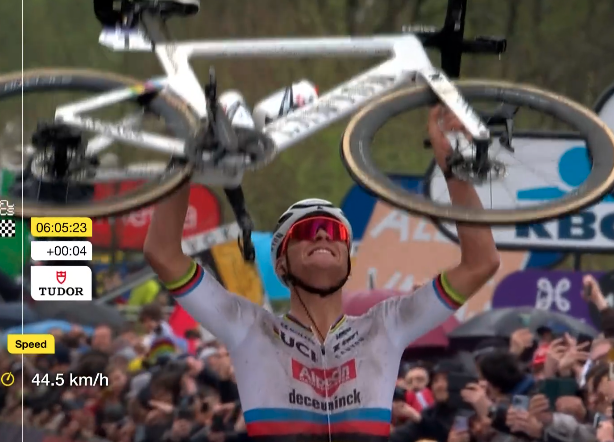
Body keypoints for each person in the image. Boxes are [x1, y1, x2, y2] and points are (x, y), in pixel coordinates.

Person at [143, 105, 500, 441]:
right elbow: (163, 254)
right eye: (305, 232)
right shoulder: (250, 328)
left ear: (349, 261)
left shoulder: (386, 325)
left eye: (336, 233)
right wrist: (185, 156)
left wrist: (450, 165)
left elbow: (481, 263)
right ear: (281, 265)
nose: (322, 235)